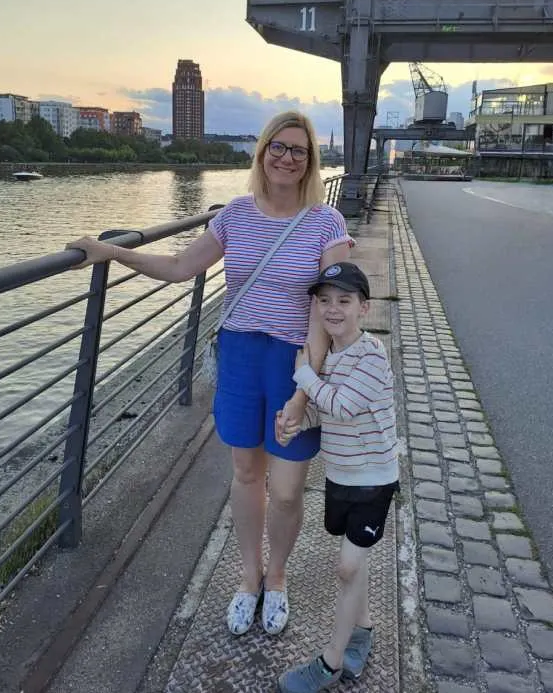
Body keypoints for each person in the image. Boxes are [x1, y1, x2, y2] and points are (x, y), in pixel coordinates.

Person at [65, 111, 353, 637]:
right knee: (246, 474)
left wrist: (307, 384)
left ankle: (278, 577)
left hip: (295, 362)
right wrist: (111, 251)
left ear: (310, 161)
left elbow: (331, 307)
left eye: (299, 150)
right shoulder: (234, 215)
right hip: (241, 356)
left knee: (288, 488)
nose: (287, 158)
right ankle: (249, 578)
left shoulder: (325, 223)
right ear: (262, 151)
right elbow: (180, 267)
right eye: (278, 147)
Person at [275, 261, 399, 693]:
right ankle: (361, 631)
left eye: (344, 301)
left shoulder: (371, 356)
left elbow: (344, 405)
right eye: (324, 301)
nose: (332, 309)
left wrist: (304, 373)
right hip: (341, 475)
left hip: (373, 479)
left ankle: (330, 662)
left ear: (363, 308)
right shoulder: (326, 359)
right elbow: (324, 410)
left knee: (348, 568)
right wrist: (296, 420)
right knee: (354, 560)